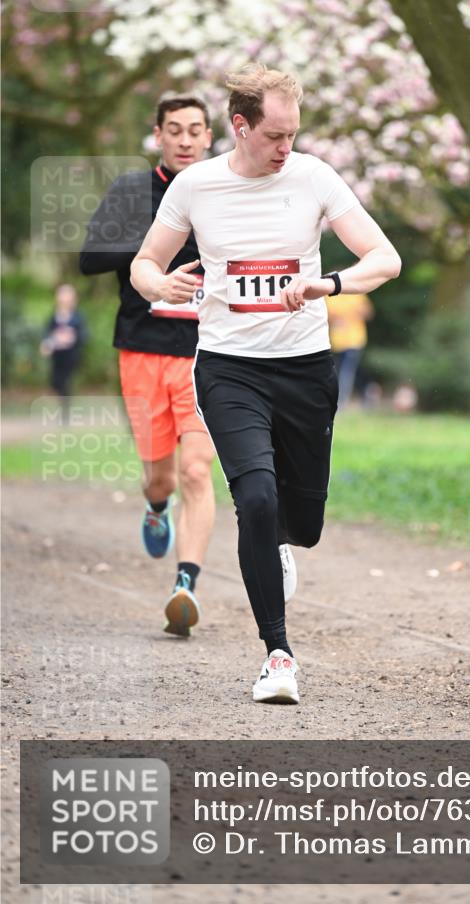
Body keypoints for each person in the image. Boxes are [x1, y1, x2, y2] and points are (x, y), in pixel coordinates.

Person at [131, 63, 401, 704]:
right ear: (241, 125)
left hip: (305, 369)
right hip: (229, 368)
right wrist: (158, 284)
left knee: (299, 520)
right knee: (254, 499)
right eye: (275, 135)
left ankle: (280, 539)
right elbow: (146, 262)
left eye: (294, 134)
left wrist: (325, 284)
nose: (287, 147)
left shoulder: (313, 178)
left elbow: (384, 259)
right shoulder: (196, 187)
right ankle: (277, 655)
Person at [79, 94, 217, 638]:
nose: (185, 140)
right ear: (157, 135)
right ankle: (156, 506)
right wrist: (156, 250)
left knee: (197, 470)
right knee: (161, 475)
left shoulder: (224, 190)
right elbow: (89, 258)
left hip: (205, 351)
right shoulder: (132, 192)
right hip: (141, 347)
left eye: (195, 130)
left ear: (211, 136)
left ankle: (185, 586)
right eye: (175, 130)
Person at [41, 283, 87, 421]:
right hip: (57, 356)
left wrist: (72, 338)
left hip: (71, 356)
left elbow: (83, 336)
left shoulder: (77, 317)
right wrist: (48, 343)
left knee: (66, 383)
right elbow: (47, 334)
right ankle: (62, 407)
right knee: (56, 382)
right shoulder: (54, 316)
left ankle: (65, 414)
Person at [326, 292, 374, 407]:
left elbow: (369, 313)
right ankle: (368, 389)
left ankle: (341, 400)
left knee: (346, 371)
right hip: (337, 342)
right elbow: (324, 316)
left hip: (354, 340)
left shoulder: (355, 294)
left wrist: (358, 313)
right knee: (345, 370)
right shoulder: (329, 296)